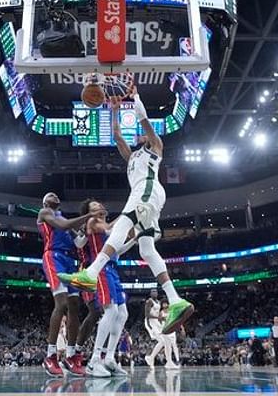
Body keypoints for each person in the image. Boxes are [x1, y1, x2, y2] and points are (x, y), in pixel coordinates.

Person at [60, 91, 194, 335]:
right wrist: (113, 110)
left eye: (144, 132)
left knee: (122, 222)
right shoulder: (133, 156)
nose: (141, 133)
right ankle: (175, 301)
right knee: (146, 249)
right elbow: (117, 136)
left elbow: (144, 121)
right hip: (146, 194)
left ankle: (91, 272)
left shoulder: (155, 146)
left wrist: (135, 96)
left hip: (148, 189)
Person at [37, 192, 97, 376]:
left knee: (75, 307)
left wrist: (90, 228)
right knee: (61, 303)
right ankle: (50, 355)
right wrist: (88, 215)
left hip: (70, 262)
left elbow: (79, 243)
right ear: (46, 201)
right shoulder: (45, 213)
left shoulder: (63, 217)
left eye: (56, 195)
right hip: (53, 257)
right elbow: (63, 225)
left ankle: (71, 356)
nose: (54, 195)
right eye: (50, 195)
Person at [79, 199, 137, 377]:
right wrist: (125, 217)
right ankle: (95, 360)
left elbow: (117, 250)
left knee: (123, 313)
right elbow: (111, 230)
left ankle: (110, 358)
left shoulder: (106, 225)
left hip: (113, 268)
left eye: (99, 204)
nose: (99, 206)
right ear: (89, 211)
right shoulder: (92, 222)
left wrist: (134, 239)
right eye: (94, 206)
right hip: (101, 269)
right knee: (110, 311)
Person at [143, 289, 172, 368]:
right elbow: (147, 315)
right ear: (150, 293)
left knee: (166, 341)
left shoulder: (159, 302)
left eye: (156, 291)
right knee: (161, 341)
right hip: (150, 322)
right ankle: (150, 358)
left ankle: (167, 361)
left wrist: (162, 318)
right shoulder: (149, 301)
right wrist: (158, 318)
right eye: (153, 292)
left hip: (157, 322)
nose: (154, 293)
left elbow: (158, 314)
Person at [159, 300, 181, 369]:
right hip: (164, 330)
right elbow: (159, 320)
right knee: (167, 347)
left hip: (171, 330)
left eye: (166, 304)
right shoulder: (161, 312)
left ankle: (177, 360)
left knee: (174, 345)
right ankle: (169, 361)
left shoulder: (171, 311)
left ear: (168, 304)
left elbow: (175, 319)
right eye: (163, 304)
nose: (164, 305)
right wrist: (162, 319)